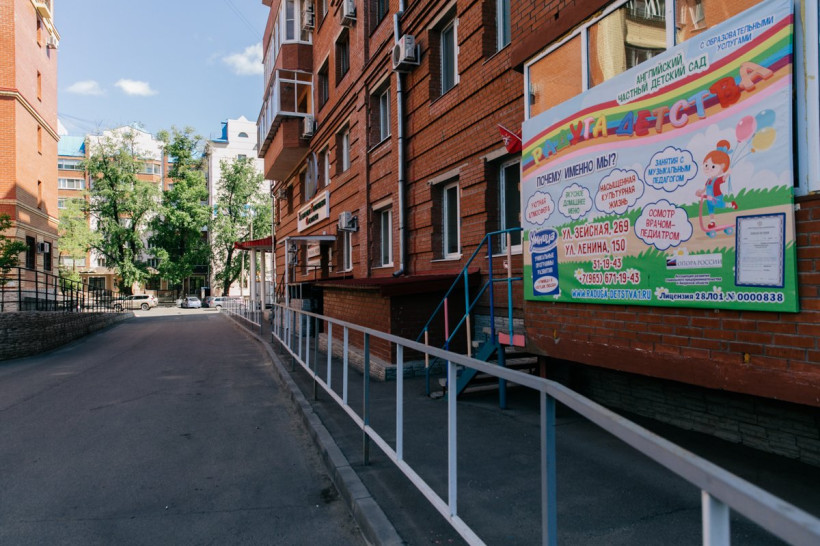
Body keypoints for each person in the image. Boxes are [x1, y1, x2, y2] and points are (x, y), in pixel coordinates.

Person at [695, 139, 738, 229]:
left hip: (716, 196)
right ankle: (712, 222)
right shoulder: (708, 180)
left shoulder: (716, 180)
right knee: (710, 209)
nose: (708, 168)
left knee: (719, 205)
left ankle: (731, 204)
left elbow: (723, 179)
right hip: (709, 197)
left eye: (713, 166)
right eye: (706, 165)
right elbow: (705, 188)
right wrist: (700, 192)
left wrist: (728, 173)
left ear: (722, 167)